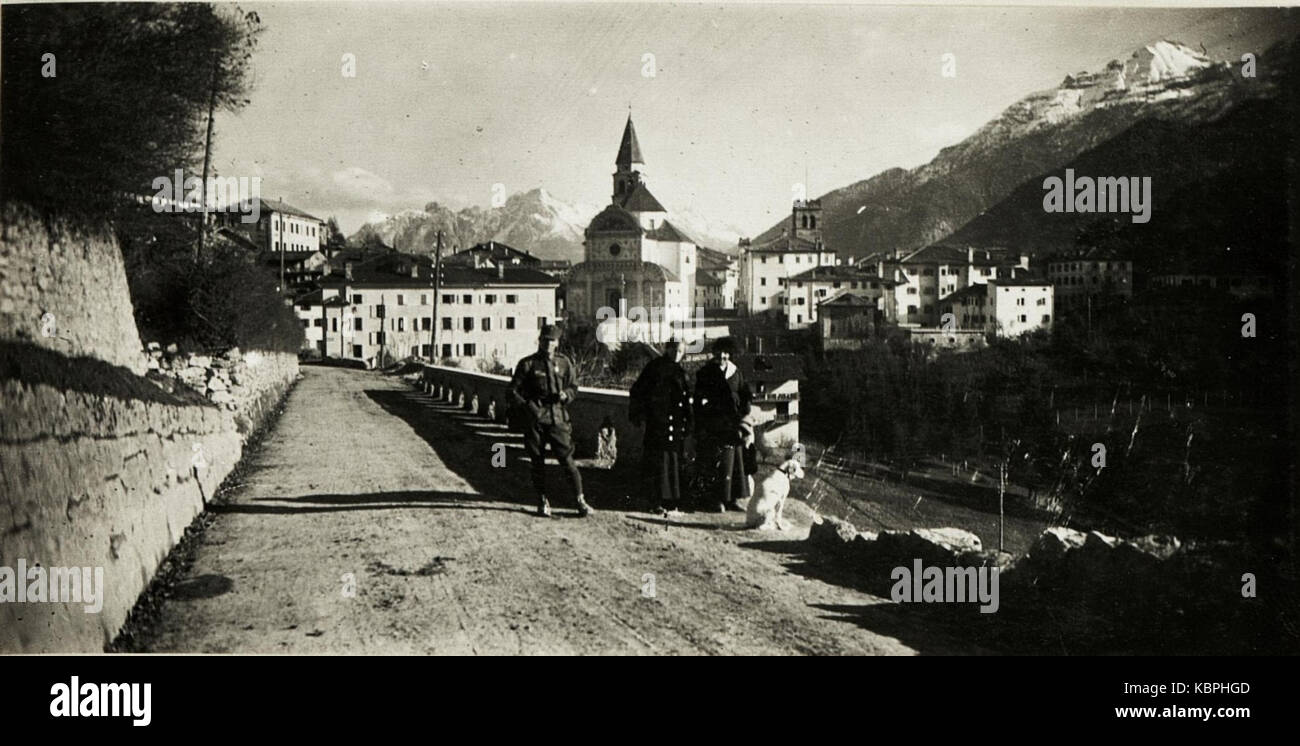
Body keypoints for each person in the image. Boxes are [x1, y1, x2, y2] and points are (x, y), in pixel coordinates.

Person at [506, 324, 592, 518]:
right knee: (537, 462)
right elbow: (512, 392)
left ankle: (580, 500)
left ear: (557, 342)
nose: (548, 344)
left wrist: (566, 395)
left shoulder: (564, 363)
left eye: (552, 341)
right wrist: (529, 408)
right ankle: (542, 500)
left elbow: (574, 387)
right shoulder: (527, 364)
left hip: (558, 420)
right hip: (535, 421)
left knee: (568, 461)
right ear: (540, 341)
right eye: (545, 340)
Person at [629, 337, 693, 516]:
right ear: (667, 349)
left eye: (681, 351)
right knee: (657, 462)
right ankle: (655, 500)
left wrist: (689, 421)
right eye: (674, 350)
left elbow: (686, 399)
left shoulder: (681, 372)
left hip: (676, 424)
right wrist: (640, 415)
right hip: (658, 423)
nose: (677, 354)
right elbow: (637, 391)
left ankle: (671, 500)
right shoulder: (654, 368)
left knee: (673, 461)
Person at [692, 337, 752, 512]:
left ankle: (732, 499)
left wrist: (744, 411)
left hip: (733, 423)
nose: (722, 356)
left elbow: (745, 393)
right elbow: (698, 399)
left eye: (726, 353)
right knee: (717, 461)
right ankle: (715, 499)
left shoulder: (736, 372)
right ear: (714, 353)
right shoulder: (705, 372)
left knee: (734, 462)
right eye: (719, 352)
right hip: (714, 424)